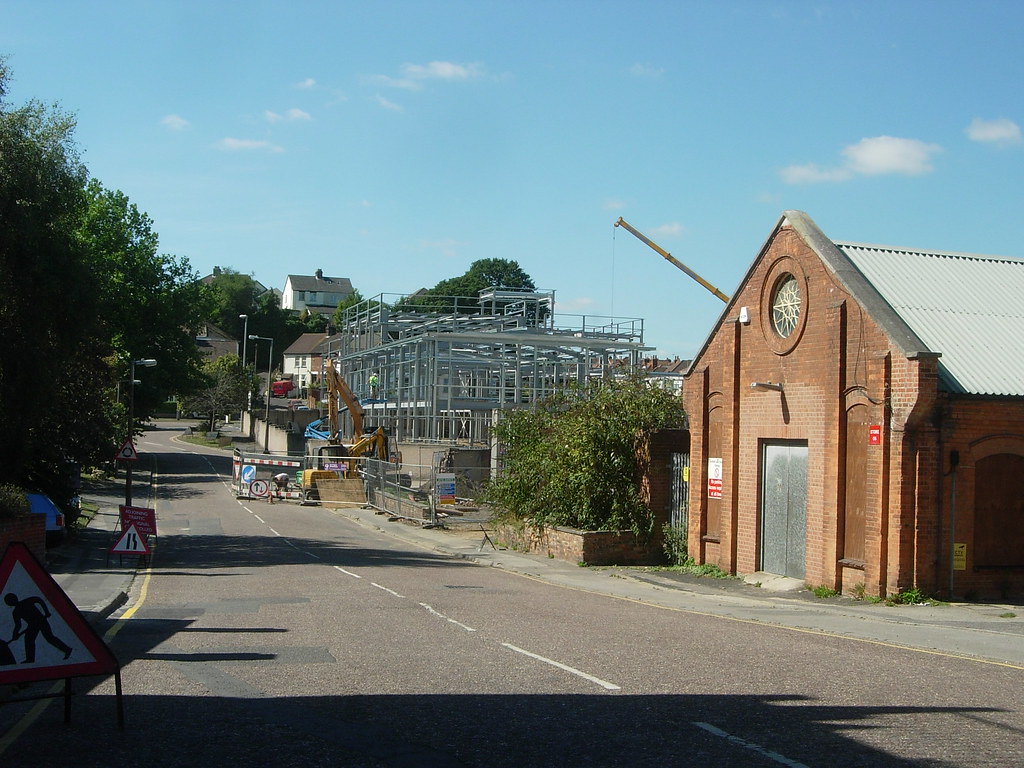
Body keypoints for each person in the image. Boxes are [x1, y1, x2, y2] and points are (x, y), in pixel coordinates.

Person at [5, 592, 72, 663]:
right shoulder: (16, 612)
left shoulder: (26, 602)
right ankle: (30, 659)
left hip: (41, 621)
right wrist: (15, 634)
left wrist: (46, 611)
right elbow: (18, 625)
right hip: (32, 625)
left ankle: (67, 649)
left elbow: (39, 600)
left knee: (49, 637)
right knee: (29, 640)